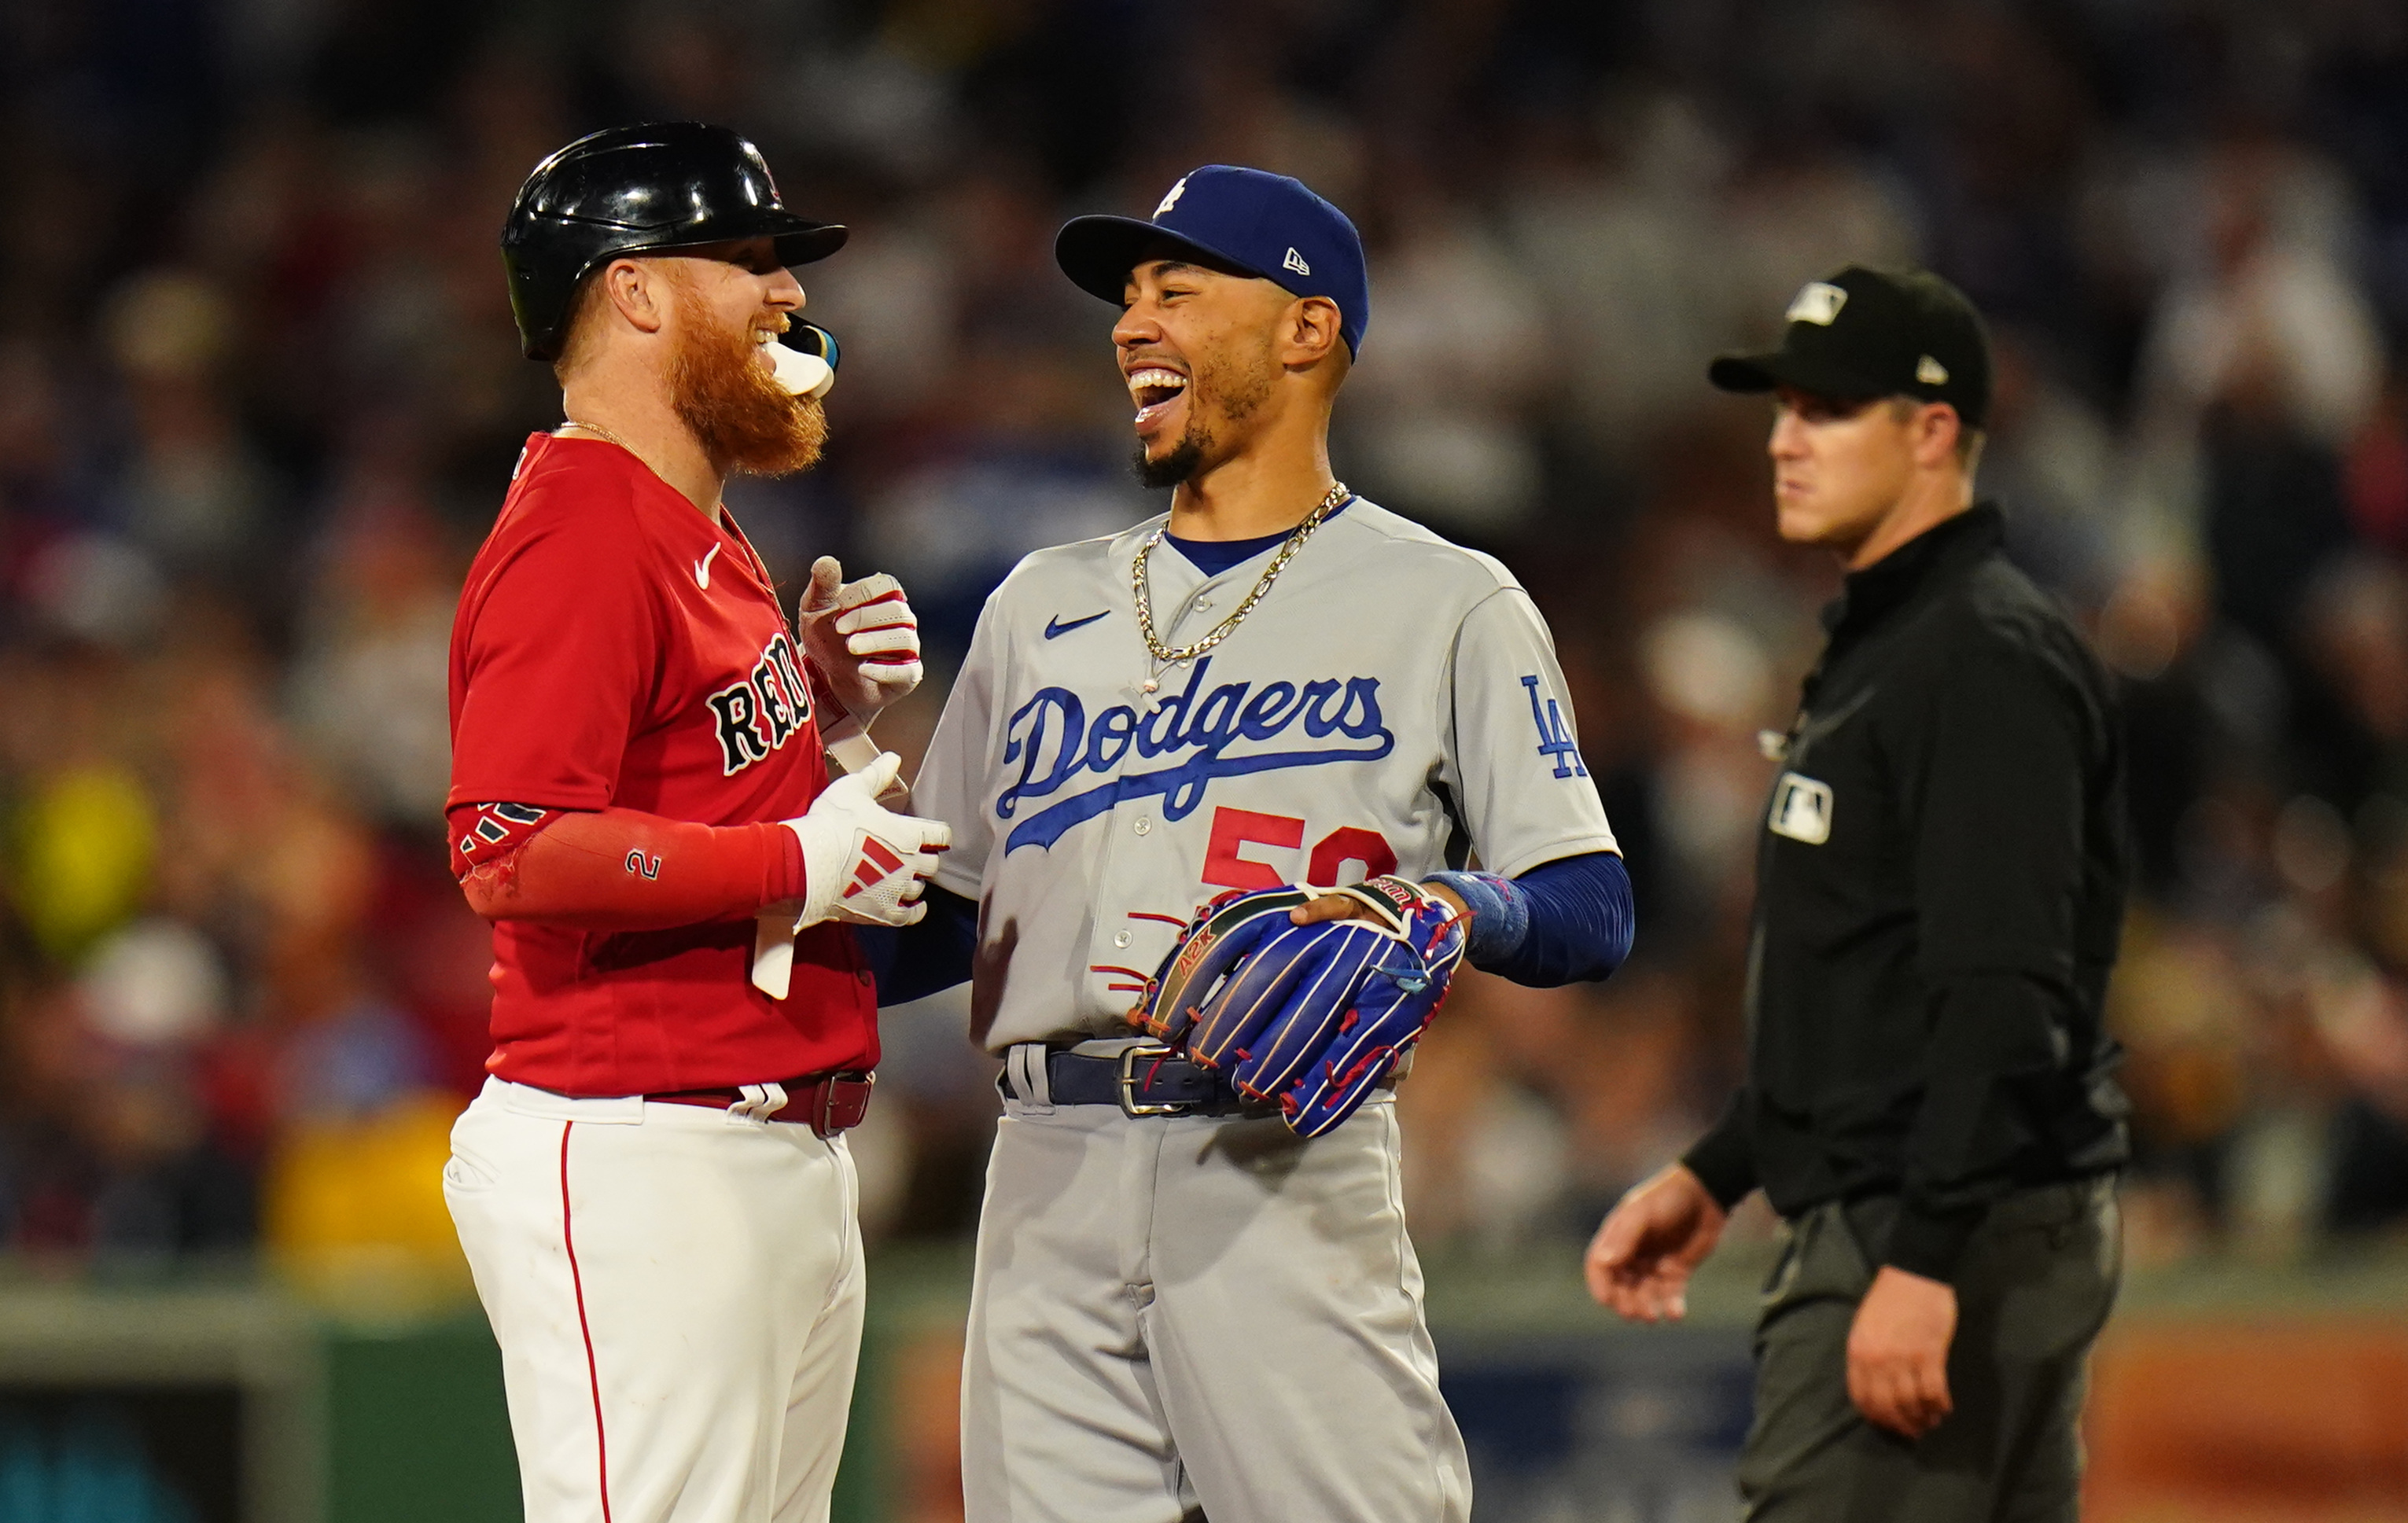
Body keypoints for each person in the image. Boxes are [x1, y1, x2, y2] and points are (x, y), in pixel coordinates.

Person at [893, 164, 1636, 1523]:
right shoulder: (1035, 604)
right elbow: (946, 910)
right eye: (1126, 299)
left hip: (1278, 1167)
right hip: (1044, 1173)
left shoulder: (1444, 600)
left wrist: (1457, 907)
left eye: (1176, 289)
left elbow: (1587, 898)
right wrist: (750, 914)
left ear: (1305, 329)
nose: (1129, 325)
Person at [440, 123, 949, 1523]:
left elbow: (673, 788)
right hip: (642, 1150)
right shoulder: (585, 524)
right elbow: (511, 845)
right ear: (635, 292)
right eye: (747, 259)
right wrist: (793, 856)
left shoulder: (691, 520)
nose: (786, 294)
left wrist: (826, 717)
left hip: (763, 1147)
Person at [1584, 266, 2130, 1521]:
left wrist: (1925, 1257)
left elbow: (2002, 986)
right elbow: (1864, 982)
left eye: (1826, 411)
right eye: (1780, 410)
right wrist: (1719, 1167)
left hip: (1927, 1216)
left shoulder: (1978, 654)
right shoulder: (1890, 644)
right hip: (1919, 1199)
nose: (1782, 442)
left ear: (1931, 431)